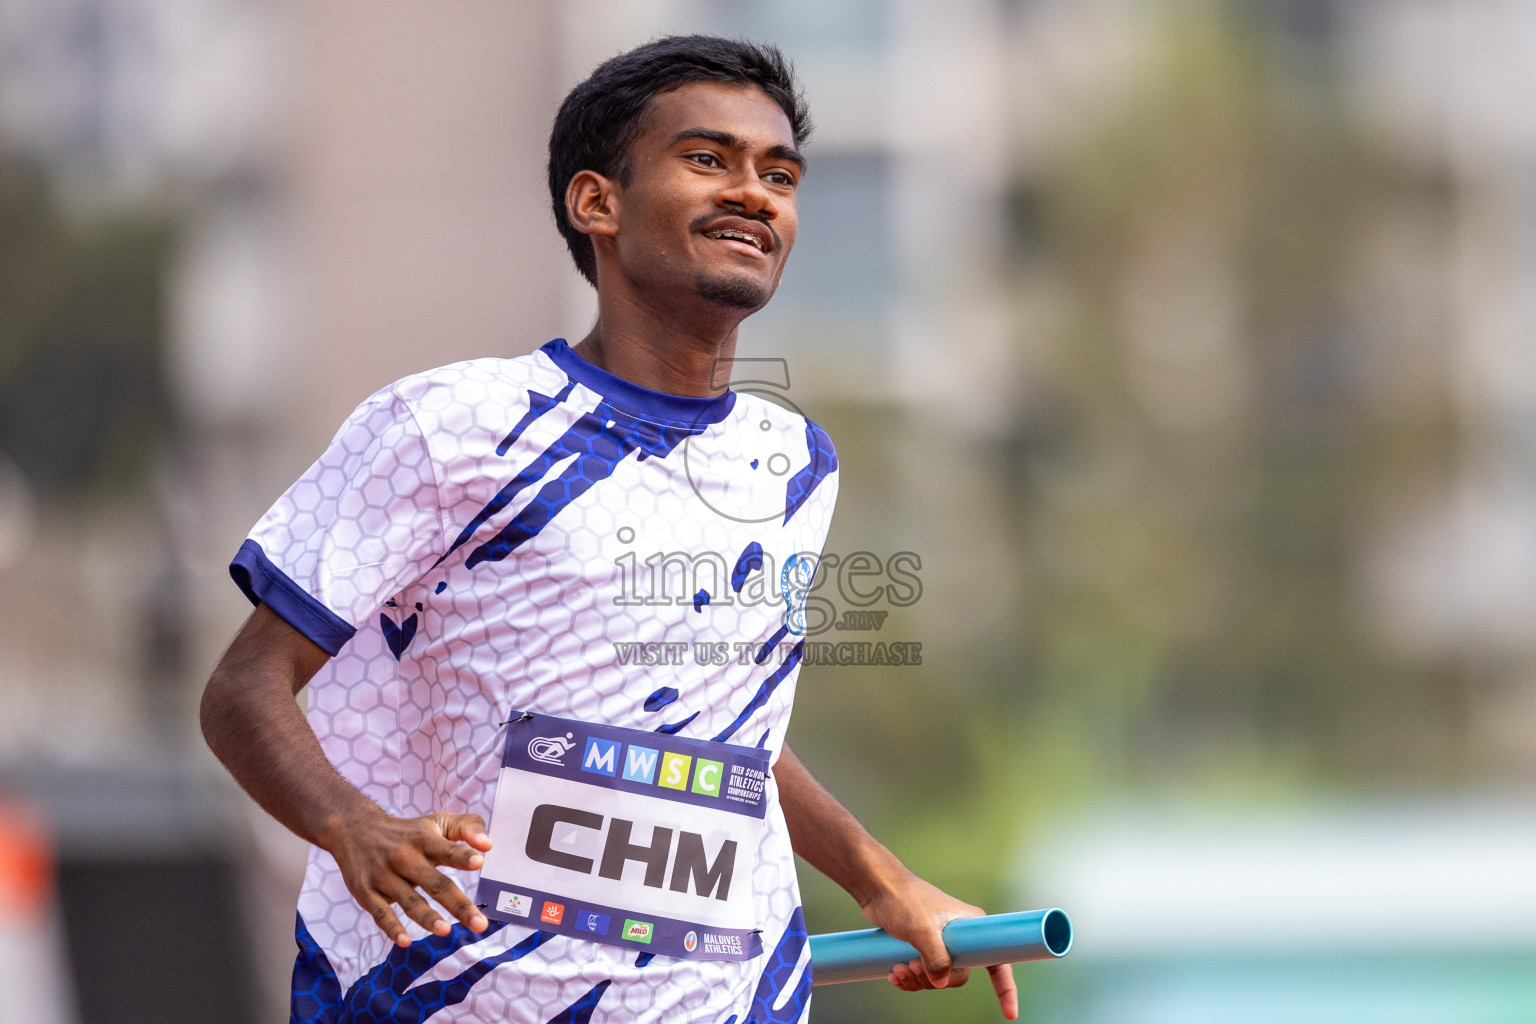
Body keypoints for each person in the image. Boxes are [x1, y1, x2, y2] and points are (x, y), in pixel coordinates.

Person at [200, 34, 1017, 1024]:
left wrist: (883, 879)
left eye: (780, 174)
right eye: (709, 159)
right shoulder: (451, 427)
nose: (756, 194)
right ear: (600, 203)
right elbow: (244, 689)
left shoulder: (793, 464)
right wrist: (353, 828)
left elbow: (733, 733)